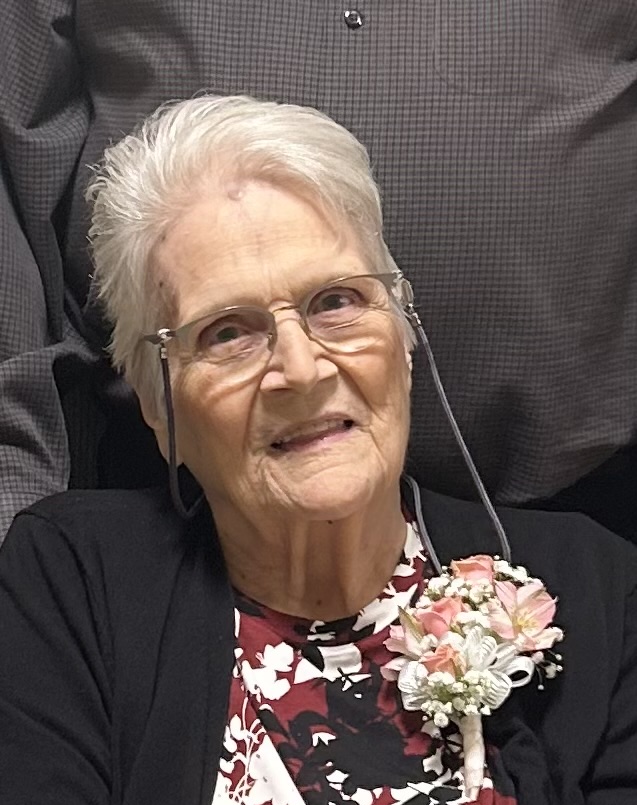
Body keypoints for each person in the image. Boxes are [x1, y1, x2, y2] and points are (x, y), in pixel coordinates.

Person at [1, 94, 636, 805]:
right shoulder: (71, 583)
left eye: (336, 301)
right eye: (228, 332)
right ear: (156, 403)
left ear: (403, 332)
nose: (300, 369)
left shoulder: (599, 590)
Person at [1, 1, 637, 543]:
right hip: (172, 512)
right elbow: (14, 190)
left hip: (587, 503)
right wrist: (18, 533)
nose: (305, 370)